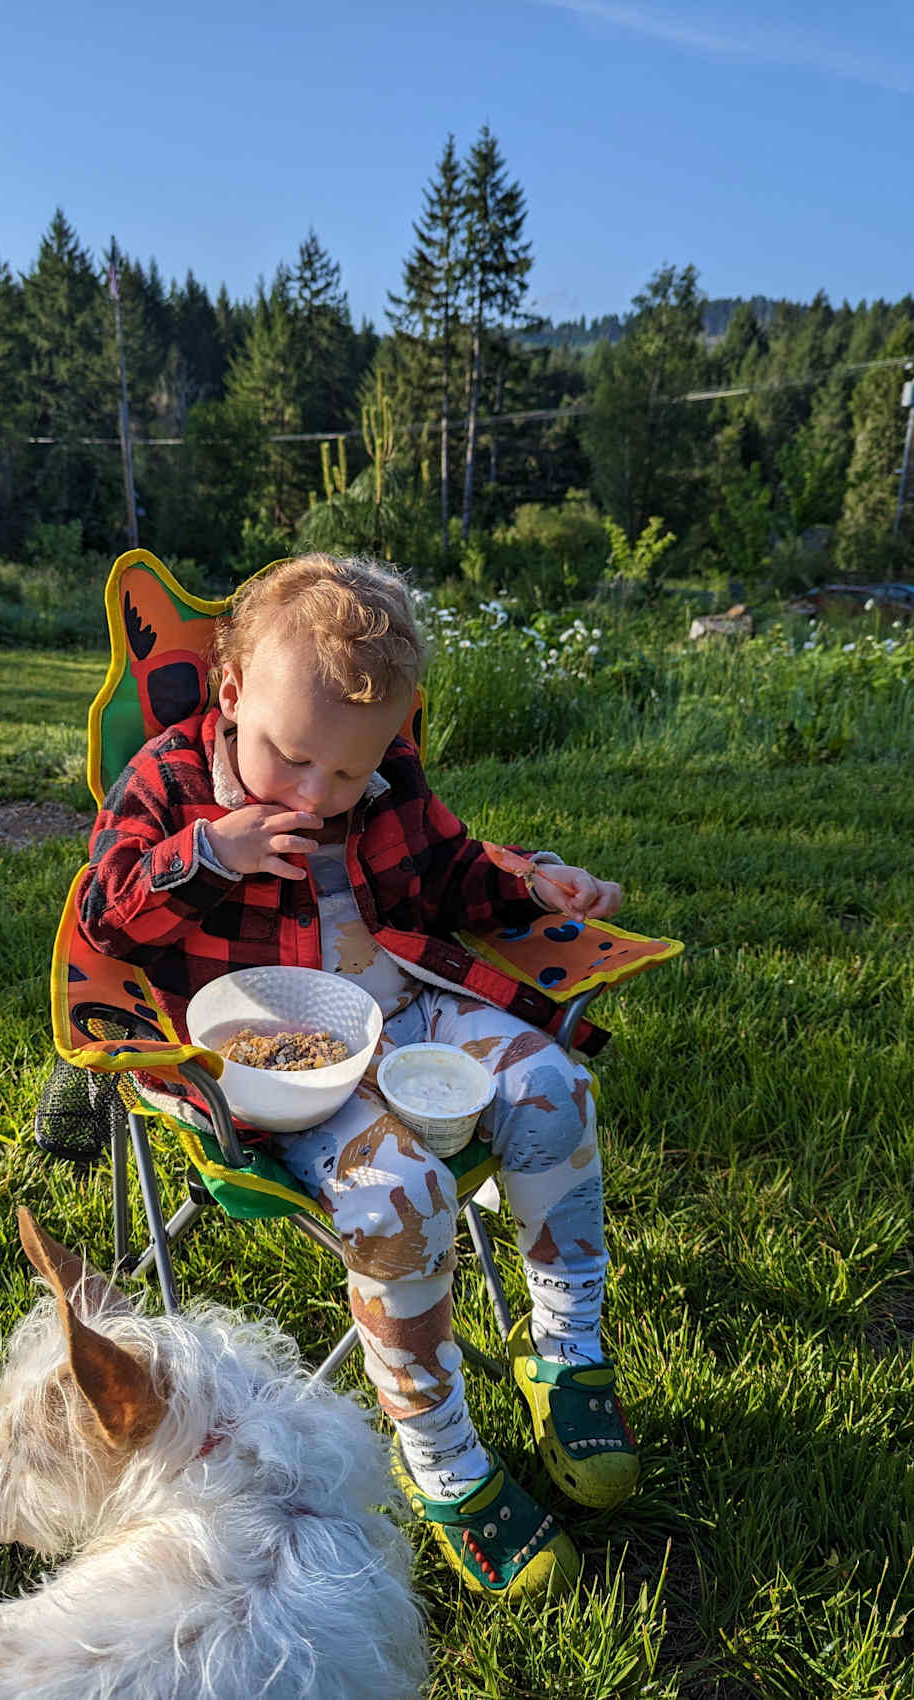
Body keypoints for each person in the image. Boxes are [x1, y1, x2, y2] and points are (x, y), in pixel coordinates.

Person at [80, 554, 637, 1599]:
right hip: (270, 1058)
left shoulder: (379, 779)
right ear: (233, 692)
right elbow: (106, 909)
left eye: (347, 774)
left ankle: (564, 1350)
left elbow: (449, 871)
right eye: (292, 761)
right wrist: (213, 852)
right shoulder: (169, 777)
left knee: (553, 1083)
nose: (318, 794)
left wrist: (527, 882)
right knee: (403, 1196)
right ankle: (443, 1457)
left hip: (409, 1007)